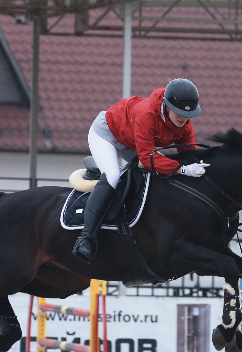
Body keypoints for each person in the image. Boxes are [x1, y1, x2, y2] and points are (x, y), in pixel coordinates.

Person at [72, 78, 209, 263]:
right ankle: (86, 238)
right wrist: (181, 169)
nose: (183, 118)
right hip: (106, 134)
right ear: (167, 106)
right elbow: (148, 158)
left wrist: (203, 167)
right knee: (112, 176)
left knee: (155, 178)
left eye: (188, 114)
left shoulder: (184, 124)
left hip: (130, 141)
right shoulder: (147, 114)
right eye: (178, 113)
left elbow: (189, 153)